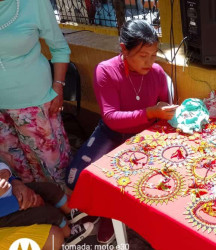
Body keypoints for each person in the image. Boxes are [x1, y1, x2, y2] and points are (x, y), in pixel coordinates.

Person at [66, 19, 178, 244]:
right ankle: (99, 210)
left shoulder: (156, 73)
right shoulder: (106, 71)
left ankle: (114, 214)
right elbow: (111, 118)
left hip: (144, 135)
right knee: (76, 177)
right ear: (124, 50)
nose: (149, 62)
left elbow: (164, 112)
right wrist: (150, 112)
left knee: (133, 179)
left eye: (154, 55)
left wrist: (165, 114)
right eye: (142, 55)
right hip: (112, 132)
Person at [0, 0, 71, 188]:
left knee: (51, 168)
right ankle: (37, 212)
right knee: (14, 168)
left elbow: (59, 47)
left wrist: (58, 85)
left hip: (34, 103)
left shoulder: (33, 3)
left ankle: (69, 209)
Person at [0, 161, 93, 248]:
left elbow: (2, 166)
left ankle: (72, 213)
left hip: (12, 191)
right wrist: (24, 202)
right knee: (46, 213)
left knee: (49, 189)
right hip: (6, 212)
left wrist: (7, 173)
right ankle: (69, 234)